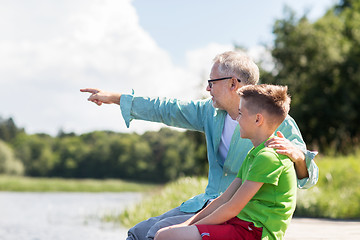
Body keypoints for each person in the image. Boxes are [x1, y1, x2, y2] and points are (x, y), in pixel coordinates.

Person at [80, 51, 318, 240]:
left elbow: (309, 178)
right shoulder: (209, 112)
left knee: (158, 234)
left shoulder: (276, 120)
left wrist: (298, 157)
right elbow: (167, 108)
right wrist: (116, 98)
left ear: (233, 83)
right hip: (208, 202)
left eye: (212, 82)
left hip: (244, 216)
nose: (207, 89)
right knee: (138, 233)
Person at [154, 84, 296, 240]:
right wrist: (186, 224)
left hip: (254, 232)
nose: (236, 118)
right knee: (169, 233)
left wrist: (191, 228)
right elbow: (223, 199)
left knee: (166, 236)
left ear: (258, 119)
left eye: (241, 113)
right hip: (241, 224)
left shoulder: (269, 157)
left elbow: (232, 208)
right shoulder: (255, 154)